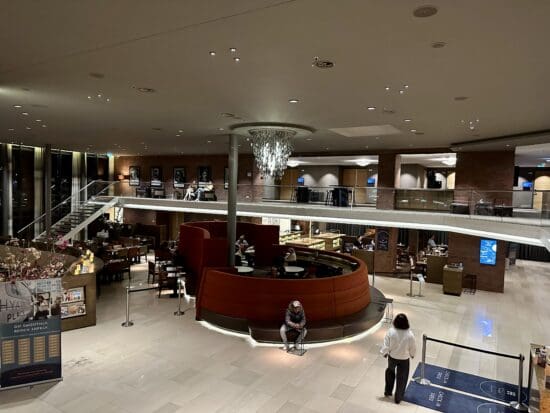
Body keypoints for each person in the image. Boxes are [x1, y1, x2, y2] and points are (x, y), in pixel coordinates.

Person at [381, 313, 416, 404]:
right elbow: (412, 347)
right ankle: (398, 397)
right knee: (402, 378)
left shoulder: (391, 331)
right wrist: (412, 354)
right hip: (404, 359)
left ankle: (388, 391)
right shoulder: (410, 334)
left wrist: (385, 353)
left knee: (390, 373)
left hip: (392, 357)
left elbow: (386, 343)